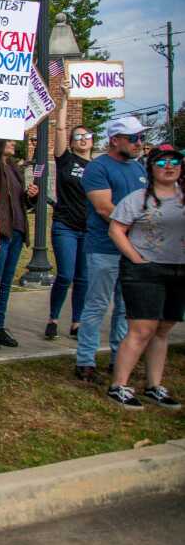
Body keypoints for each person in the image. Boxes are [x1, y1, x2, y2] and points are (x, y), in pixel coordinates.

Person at [105, 144, 184, 410]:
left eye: (174, 162)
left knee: (163, 329)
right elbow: (116, 230)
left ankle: (154, 385)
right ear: (151, 168)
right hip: (144, 271)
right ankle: (119, 384)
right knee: (142, 328)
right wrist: (136, 258)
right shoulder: (138, 199)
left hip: (177, 269)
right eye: (162, 163)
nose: (169, 167)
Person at [74, 116, 148, 383]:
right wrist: (136, 228)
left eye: (140, 138)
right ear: (115, 140)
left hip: (134, 249)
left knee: (125, 307)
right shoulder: (98, 167)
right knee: (97, 304)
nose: (139, 143)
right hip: (105, 247)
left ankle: (120, 357)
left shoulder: (139, 169)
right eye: (133, 138)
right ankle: (85, 361)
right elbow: (104, 207)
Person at [0, 139, 38, 350]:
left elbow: (19, 202)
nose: (14, 143)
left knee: (6, 281)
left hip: (17, 231)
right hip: (0, 232)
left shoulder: (13, 168)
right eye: (9, 140)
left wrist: (31, 198)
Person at [46, 96, 93, 340]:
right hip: (65, 225)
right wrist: (63, 101)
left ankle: (77, 322)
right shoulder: (66, 160)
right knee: (65, 274)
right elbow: (61, 128)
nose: (83, 139)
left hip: (90, 229)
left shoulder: (99, 166)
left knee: (83, 277)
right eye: (78, 136)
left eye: (87, 135)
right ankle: (53, 318)